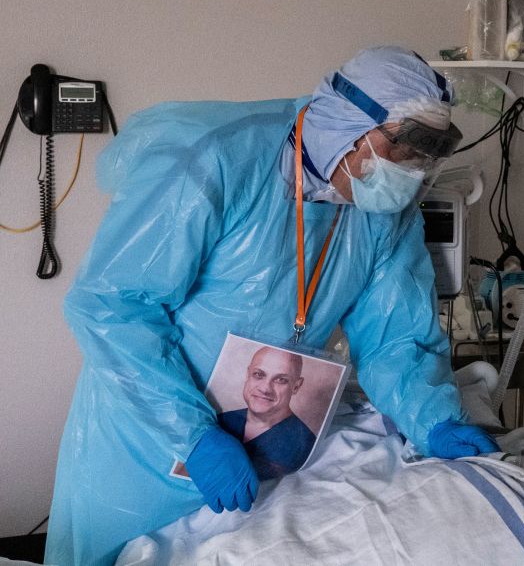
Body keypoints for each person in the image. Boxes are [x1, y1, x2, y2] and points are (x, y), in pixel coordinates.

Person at [45, 46, 499, 566]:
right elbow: (114, 306)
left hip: (263, 440)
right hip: (148, 428)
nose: (409, 173)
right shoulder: (218, 161)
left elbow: (396, 337)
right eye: (400, 152)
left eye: (423, 159)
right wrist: (193, 437)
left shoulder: (384, 210)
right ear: (349, 122)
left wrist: (432, 418)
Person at [216, 347, 317, 480]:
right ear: (248, 374)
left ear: (296, 386)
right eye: (258, 374)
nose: (265, 388)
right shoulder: (220, 421)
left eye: (280, 380)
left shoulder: (304, 444)